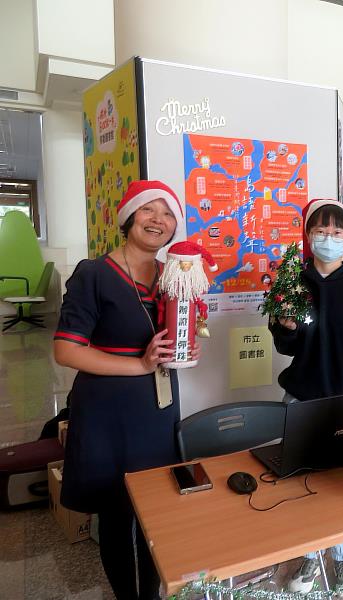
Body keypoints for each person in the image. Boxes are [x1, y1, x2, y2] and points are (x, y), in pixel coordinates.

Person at [53, 180, 190, 599]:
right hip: (108, 410)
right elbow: (66, 351)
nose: (158, 220)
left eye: (167, 214)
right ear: (129, 217)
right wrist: (140, 365)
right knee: (116, 513)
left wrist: (187, 342)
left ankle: (150, 594)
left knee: (156, 512)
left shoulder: (172, 276)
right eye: (148, 210)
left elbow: (178, 335)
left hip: (158, 406)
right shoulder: (94, 274)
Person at [270, 198, 343, 595]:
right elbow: (286, 345)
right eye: (322, 230)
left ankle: (342, 562)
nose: (330, 238)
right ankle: (308, 556)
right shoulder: (293, 282)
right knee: (302, 485)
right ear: (308, 235)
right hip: (302, 398)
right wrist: (285, 325)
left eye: (339, 232)